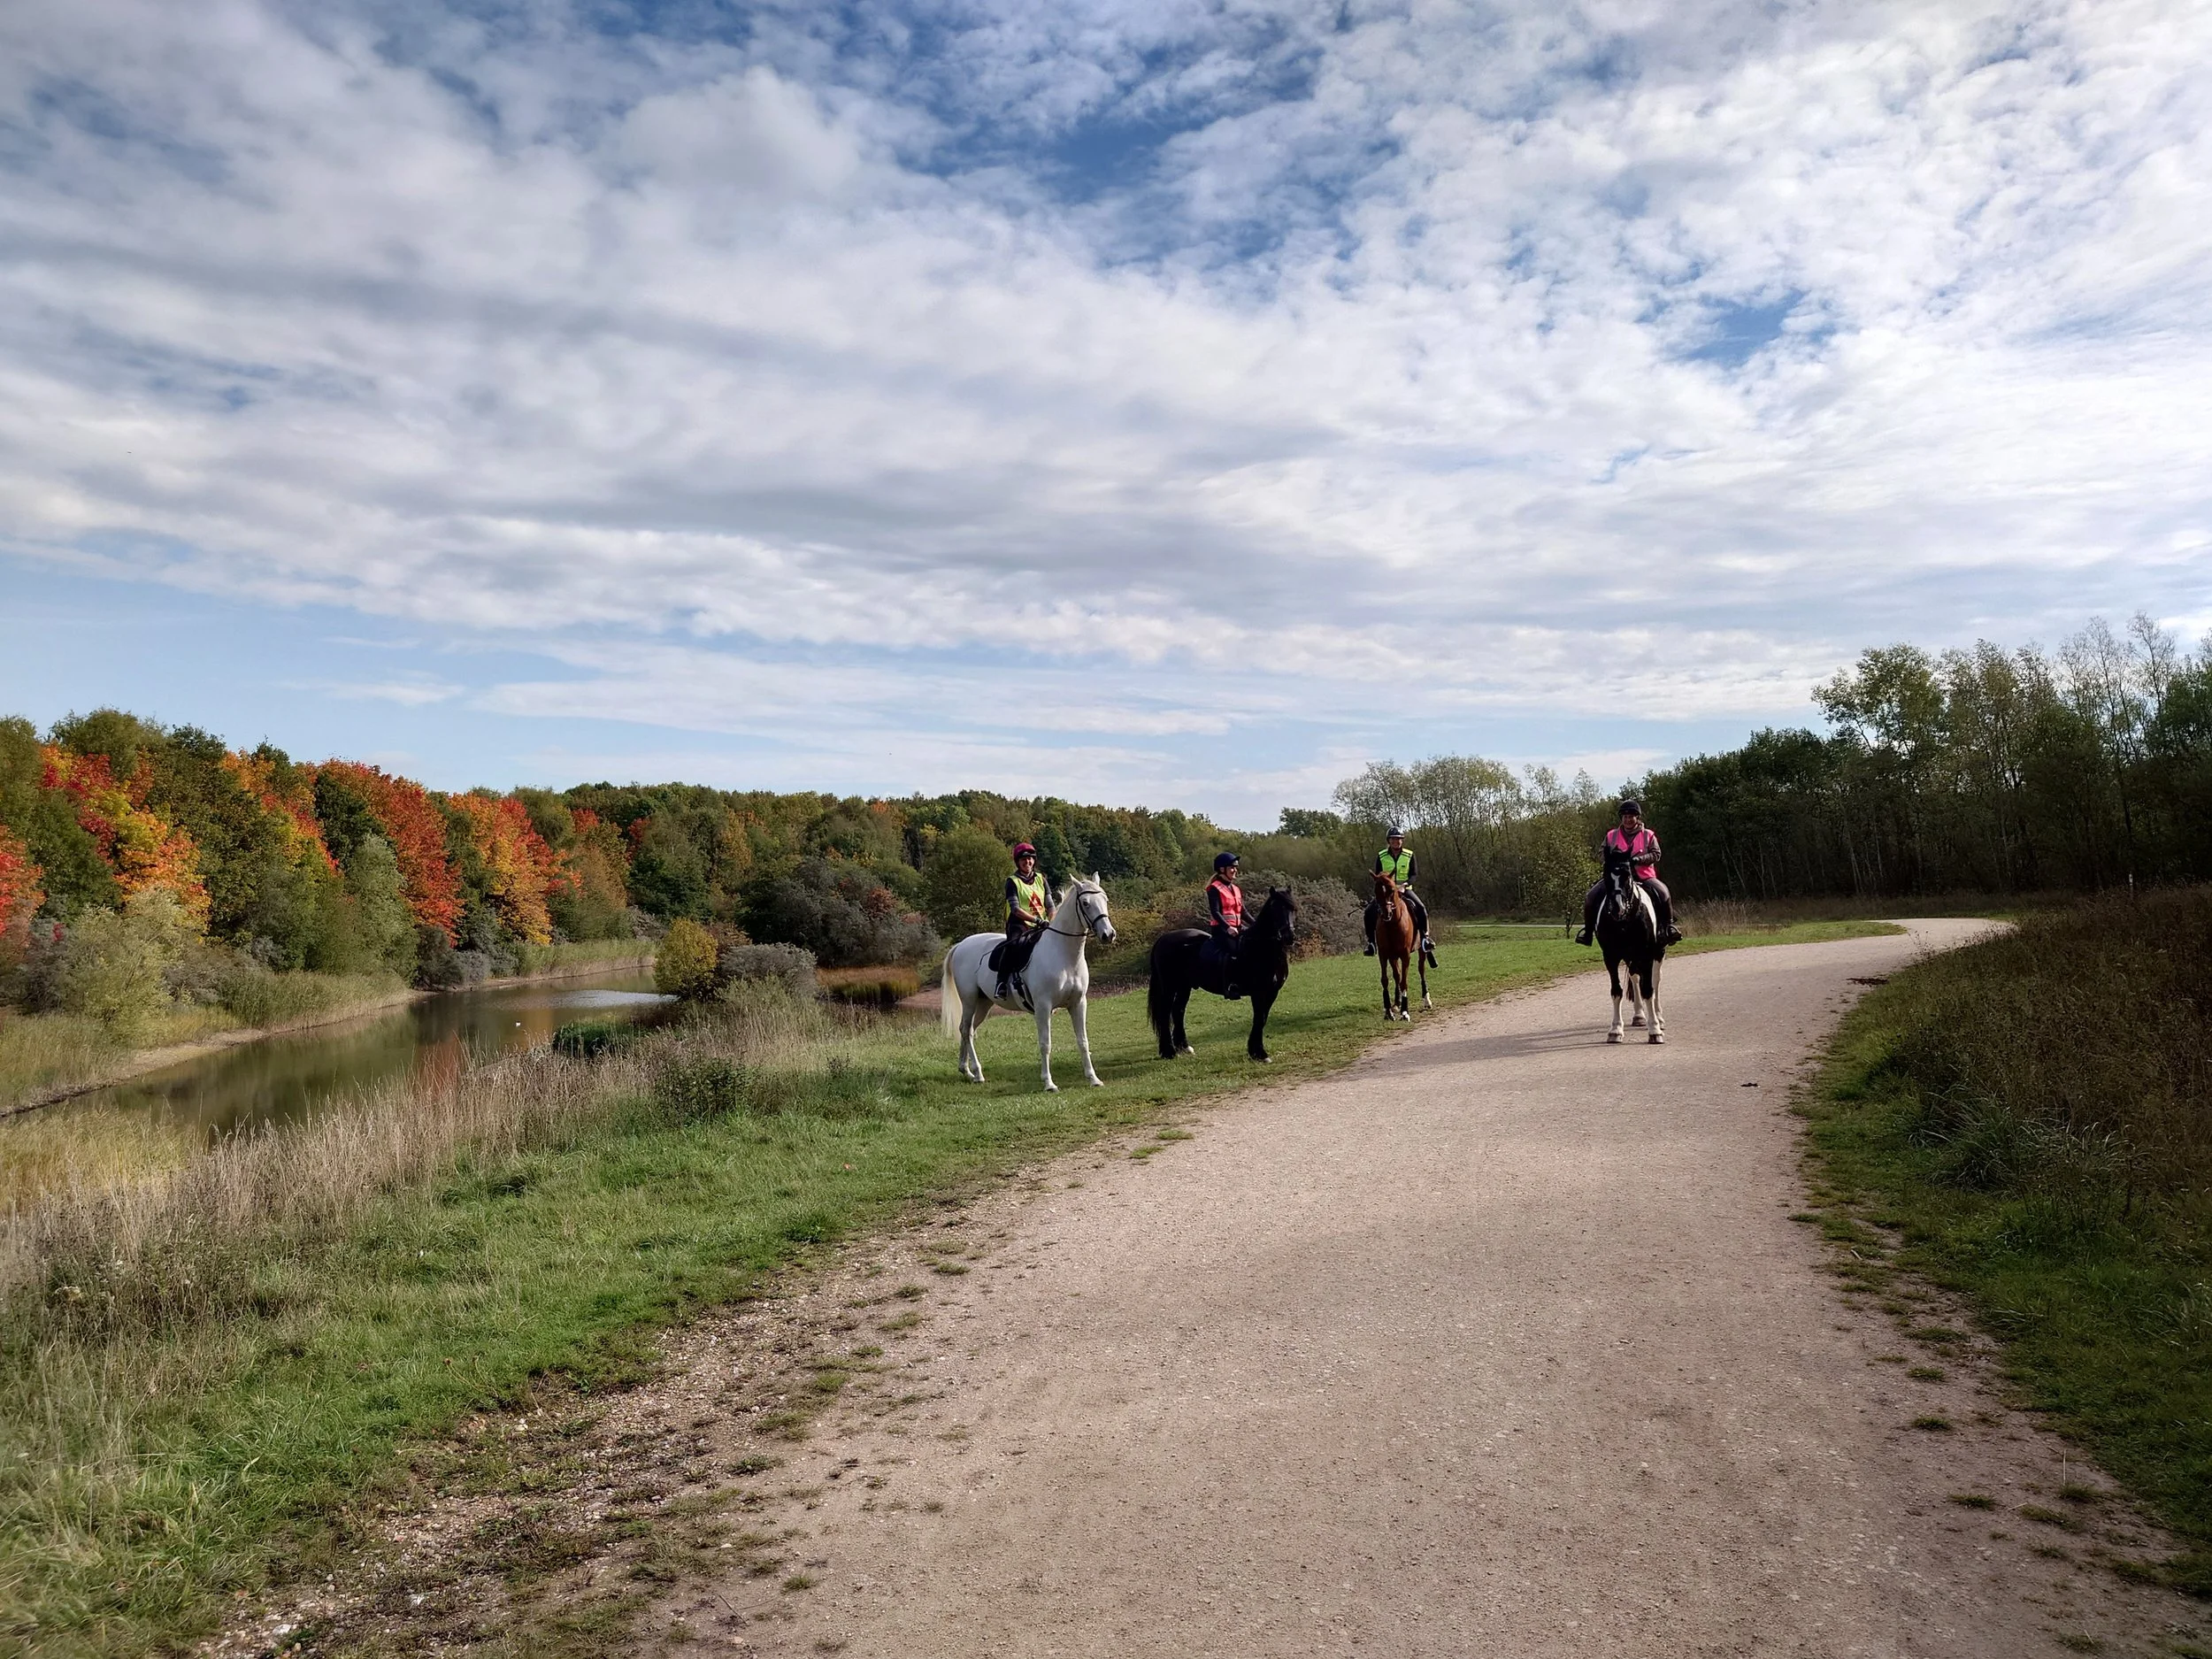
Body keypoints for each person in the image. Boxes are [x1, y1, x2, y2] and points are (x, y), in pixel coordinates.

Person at [1578, 798, 1682, 947]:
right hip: (1617, 877)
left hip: (1643, 875)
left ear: (1637, 817)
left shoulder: (1648, 835)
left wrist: (1638, 860)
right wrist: (1613, 860)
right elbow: (1601, 853)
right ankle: (1587, 933)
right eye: (1625, 817)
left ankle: (1668, 928)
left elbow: (1656, 854)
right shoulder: (1611, 835)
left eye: (1631, 817)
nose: (1628, 820)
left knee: (1663, 893)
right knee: (1591, 896)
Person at [1363, 826, 1433, 959]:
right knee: (1369, 911)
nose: (1396, 842)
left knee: (1421, 908)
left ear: (1402, 841)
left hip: (1405, 890)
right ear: (1389, 841)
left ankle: (1425, 939)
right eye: (1394, 839)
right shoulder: (1381, 855)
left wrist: (1404, 885)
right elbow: (1378, 876)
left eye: (1399, 839)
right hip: (1387, 893)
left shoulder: (1409, 855)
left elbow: (1414, 874)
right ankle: (1371, 943)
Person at [998, 841, 1054, 999]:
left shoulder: (1041, 879)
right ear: (1018, 862)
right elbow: (1015, 909)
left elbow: (1050, 906)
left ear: (1034, 861)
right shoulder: (1012, 882)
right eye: (1023, 860)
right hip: (1019, 923)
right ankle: (1001, 982)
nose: (1027, 862)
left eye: (1030, 859)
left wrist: (1052, 921)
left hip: (1041, 923)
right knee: (1013, 944)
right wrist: (1037, 921)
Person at [1206, 851, 1245, 1000]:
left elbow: (1243, 911)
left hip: (1237, 928)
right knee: (1233, 952)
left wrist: (1256, 924)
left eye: (1236, 867)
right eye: (1232, 867)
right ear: (1222, 869)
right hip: (1221, 930)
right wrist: (1227, 928)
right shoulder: (1214, 888)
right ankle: (1229, 985)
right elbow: (1215, 912)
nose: (1235, 870)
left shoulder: (1235, 888)